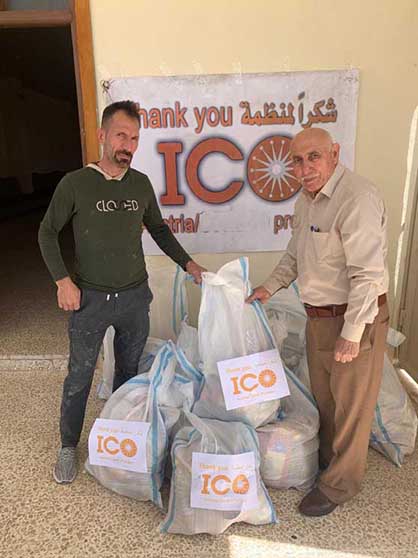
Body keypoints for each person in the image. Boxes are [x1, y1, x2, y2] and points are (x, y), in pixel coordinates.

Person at [39, 100, 206, 484]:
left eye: (134, 138)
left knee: (129, 373)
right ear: (102, 135)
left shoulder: (140, 184)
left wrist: (189, 264)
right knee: (80, 376)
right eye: (120, 136)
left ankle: (118, 435)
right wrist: (63, 281)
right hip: (90, 300)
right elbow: (47, 232)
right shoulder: (75, 184)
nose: (127, 145)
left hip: (134, 297)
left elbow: (159, 229)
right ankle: (68, 445)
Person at [247, 127, 389, 516]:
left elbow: (368, 275)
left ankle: (340, 486)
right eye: (297, 160)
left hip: (354, 317)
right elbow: (295, 253)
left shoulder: (356, 197)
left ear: (334, 154)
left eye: (314, 157)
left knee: (351, 407)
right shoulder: (306, 201)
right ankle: (327, 464)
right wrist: (269, 287)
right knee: (325, 399)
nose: (305, 168)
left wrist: (352, 333)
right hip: (319, 318)